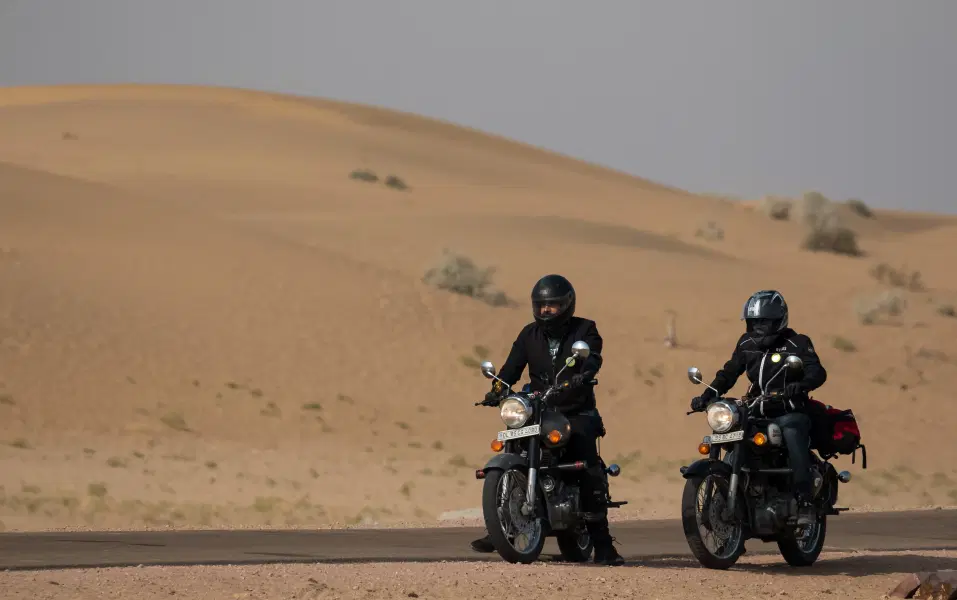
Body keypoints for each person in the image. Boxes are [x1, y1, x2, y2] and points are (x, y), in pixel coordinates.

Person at [470, 274, 624, 566]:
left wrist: (585, 373)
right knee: (512, 444)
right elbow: (511, 368)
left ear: (567, 305)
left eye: (552, 306)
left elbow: (593, 357)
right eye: (541, 306)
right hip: (537, 410)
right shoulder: (529, 334)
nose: (546, 311)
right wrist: (497, 388)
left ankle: (604, 545)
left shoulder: (585, 329)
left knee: (585, 464)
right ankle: (501, 527)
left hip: (575, 410)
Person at [689, 289, 827, 526]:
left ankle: (804, 502)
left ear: (778, 321)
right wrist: (706, 396)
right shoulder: (747, 343)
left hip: (788, 410)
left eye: (764, 322)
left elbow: (817, 372)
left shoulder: (797, 343)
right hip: (755, 410)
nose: (758, 328)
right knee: (729, 433)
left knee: (793, 432)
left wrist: (799, 385)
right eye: (754, 322)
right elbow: (729, 373)